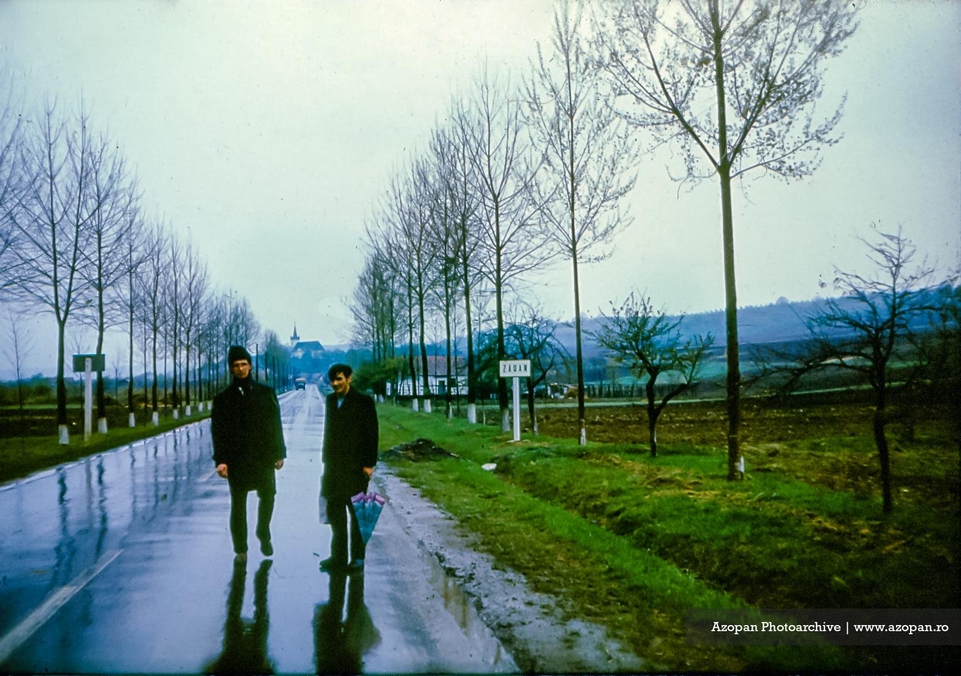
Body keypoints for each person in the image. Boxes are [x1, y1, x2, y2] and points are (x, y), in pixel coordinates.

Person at [212, 345, 287, 563]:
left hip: (263, 457)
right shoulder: (223, 399)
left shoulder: (266, 393)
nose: (240, 368)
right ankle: (240, 550)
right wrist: (221, 460)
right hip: (237, 460)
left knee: (268, 496)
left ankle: (263, 531)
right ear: (230, 369)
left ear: (251, 366)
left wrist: (279, 453)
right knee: (238, 504)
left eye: (244, 364)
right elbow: (218, 432)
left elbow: (275, 425)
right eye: (236, 365)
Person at [318, 363, 378, 574]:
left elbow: (372, 433)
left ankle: (358, 558)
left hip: (356, 467)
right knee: (336, 514)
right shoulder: (330, 400)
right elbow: (329, 431)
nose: (335, 384)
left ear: (349, 379)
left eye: (339, 379)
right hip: (333, 467)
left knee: (357, 513)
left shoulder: (363, 401)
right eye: (332, 380)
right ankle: (338, 556)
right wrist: (325, 459)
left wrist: (369, 463)